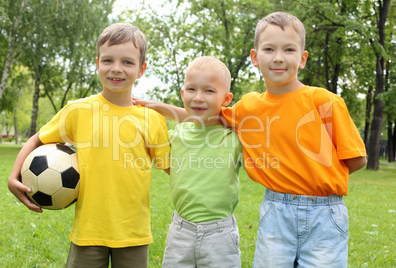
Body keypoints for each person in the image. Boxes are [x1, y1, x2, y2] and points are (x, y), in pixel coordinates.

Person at [134, 12, 367, 267]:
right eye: (269, 49)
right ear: (255, 58)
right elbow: (203, 118)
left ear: (302, 59)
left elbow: (356, 160)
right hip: (276, 209)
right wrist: (158, 107)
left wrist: (309, 176)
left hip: (325, 212)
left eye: (289, 49)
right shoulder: (249, 107)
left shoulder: (324, 101)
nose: (278, 57)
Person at [8, 23, 170, 268]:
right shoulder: (78, 110)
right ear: (97, 63)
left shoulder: (151, 119)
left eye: (127, 62)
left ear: (141, 69)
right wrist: (13, 176)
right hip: (88, 230)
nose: (116, 69)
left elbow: (171, 168)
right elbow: (36, 139)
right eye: (108, 61)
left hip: (133, 232)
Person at [143, 56, 242, 267]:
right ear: (182, 93)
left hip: (220, 234)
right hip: (181, 231)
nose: (198, 98)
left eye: (209, 91)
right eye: (191, 89)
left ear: (226, 99)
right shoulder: (177, 134)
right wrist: (154, 108)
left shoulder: (233, 137)